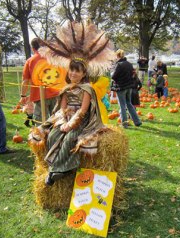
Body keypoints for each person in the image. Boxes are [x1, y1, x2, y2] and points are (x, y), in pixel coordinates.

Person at [29, 21, 116, 186]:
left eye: (78, 70)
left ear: (83, 73)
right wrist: (62, 120)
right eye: (72, 69)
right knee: (53, 135)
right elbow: (61, 107)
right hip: (66, 118)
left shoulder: (86, 89)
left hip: (80, 121)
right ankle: (54, 167)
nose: (74, 73)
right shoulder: (66, 89)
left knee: (70, 138)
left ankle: (63, 169)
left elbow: (83, 111)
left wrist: (70, 124)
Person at [19, 38, 60, 125]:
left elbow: (25, 81)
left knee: (40, 123)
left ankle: (43, 138)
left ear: (33, 48)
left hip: (40, 96)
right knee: (57, 120)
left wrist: (23, 95)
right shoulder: (53, 59)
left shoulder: (30, 61)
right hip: (56, 94)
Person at [111, 49, 142, 128]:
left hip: (121, 87)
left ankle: (124, 123)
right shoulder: (129, 64)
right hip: (129, 87)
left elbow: (114, 76)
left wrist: (112, 73)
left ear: (117, 56)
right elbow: (132, 74)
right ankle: (137, 121)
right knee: (129, 104)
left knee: (122, 105)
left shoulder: (119, 65)